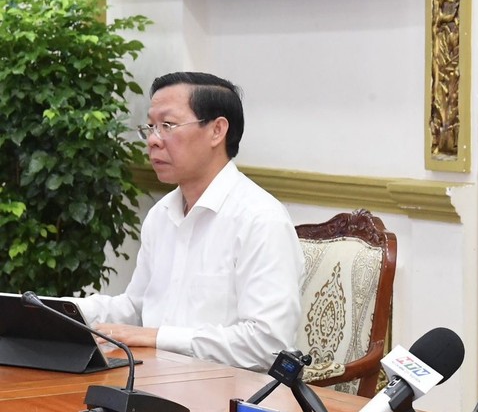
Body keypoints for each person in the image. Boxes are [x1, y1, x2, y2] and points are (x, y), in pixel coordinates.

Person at [73, 72, 305, 372]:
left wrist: (158, 338)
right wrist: (56, 312)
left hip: (228, 400)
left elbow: (268, 346)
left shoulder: (261, 220)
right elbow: (136, 308)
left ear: (217, 131)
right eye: (151, 127)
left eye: (167, 126)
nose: (153, 141)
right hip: (155, 382)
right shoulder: (161, 215)